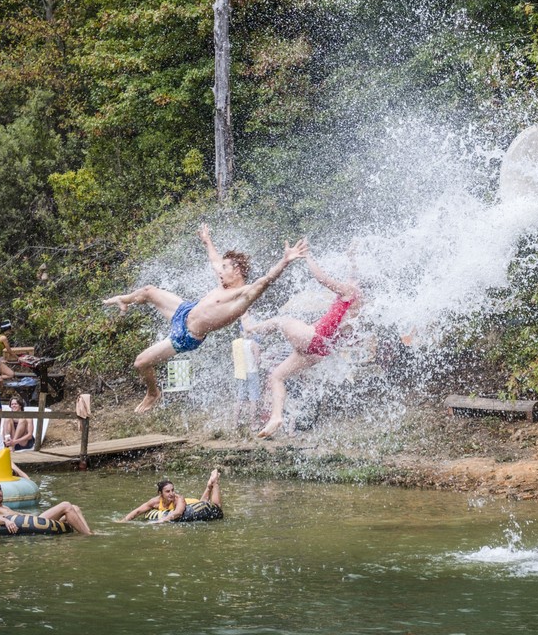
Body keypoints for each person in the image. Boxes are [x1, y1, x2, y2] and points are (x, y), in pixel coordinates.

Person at [103, 223, 308, 413]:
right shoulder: (224, 282)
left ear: (237, 270)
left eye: (225, 268)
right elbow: (214, 260)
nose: (220, 272)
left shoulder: (243, 296)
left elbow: (266, 280)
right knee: (148, 291)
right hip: (184, 311)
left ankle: (153, 393)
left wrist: (284, 261)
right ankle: (124, 300)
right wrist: (207, 240)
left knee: (140, 363)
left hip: (187, 335)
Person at [242, 250, 362, 439]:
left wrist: (308, 257)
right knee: (276, 376)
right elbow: (354, 277)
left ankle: (250, 328)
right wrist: (352, 259)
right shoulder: (357, 303)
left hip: (313, 337)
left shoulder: (349, 291)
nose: (349, 279)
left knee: (282, 320)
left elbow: (322, 278)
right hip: (319, 351)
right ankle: (276, 417)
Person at [0, 479, 93, 535]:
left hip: (35, 520)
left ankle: (89, 532)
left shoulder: (4, 507)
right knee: (66, 505)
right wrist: (6, 522)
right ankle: (88, 535)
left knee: (75, 507)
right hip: (35, 523)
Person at [119, 469, 223, 523]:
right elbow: (138, 511)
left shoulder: (179, 499)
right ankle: (209, 486)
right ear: (161, 494)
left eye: (172, 490)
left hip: (193, 505)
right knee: (203, 500)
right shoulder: (155, 502)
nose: (171, 493)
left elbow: (178, 513)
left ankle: (215, 483)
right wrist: (124, 521)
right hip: (194, 505)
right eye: (167, 491)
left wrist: (161, 521)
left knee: (216, 506)